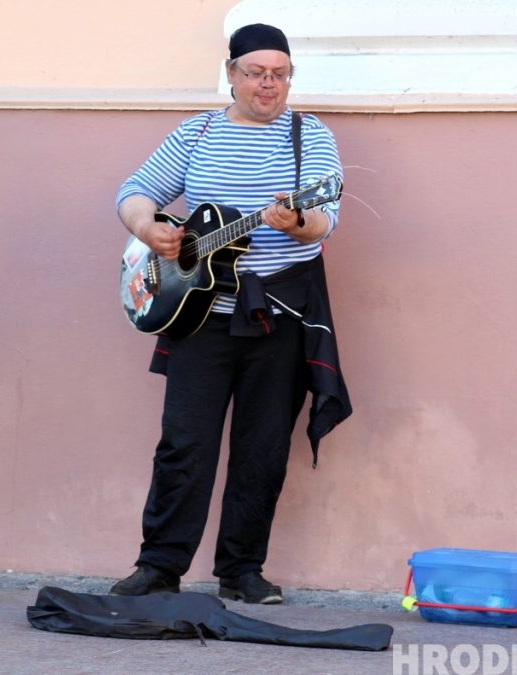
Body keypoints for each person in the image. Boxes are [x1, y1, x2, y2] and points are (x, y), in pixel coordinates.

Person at [109, 24, 351, 604]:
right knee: (184, 443)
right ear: (231, 72)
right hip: (199, 316)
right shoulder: (196, 132)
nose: (269, 85)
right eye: (256, 72)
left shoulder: (308, 135)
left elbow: (328, 215)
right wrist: (151, 229)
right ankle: (159, 566)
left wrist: (300, 221)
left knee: (262, 446)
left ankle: (242, 570)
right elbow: (136, 192)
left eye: (280, 74)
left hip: (280, 314)